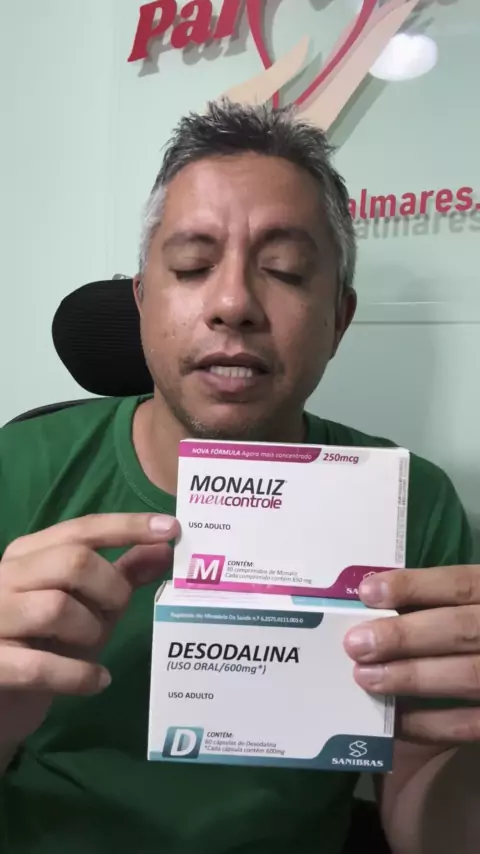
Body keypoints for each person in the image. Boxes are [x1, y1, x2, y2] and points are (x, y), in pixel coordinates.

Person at [0, 101, 479, 854]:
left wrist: (468, 738)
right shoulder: (21, 466)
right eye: (193, 266)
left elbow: (430, 828)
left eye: (284, 270)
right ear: (140, 300)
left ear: (340, 319)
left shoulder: (410, 504)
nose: (232, 304)